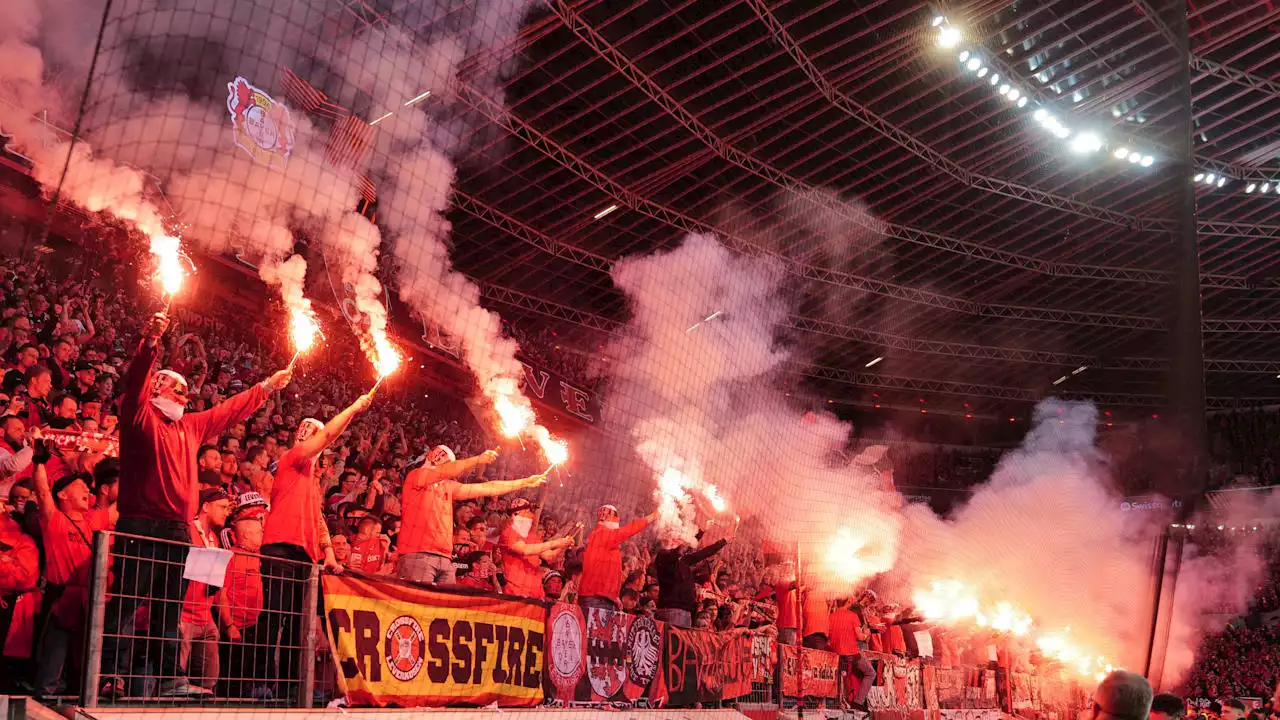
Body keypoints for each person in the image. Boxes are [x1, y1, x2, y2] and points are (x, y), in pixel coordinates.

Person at [100, 312, 291, 699]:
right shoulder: (139, 416)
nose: (184, 397)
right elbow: (135, 380)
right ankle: (109, 676)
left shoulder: (190, 426)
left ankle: (170, 680)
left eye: (186, 392)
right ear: (156, 388)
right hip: (139, 524)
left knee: (167, 610)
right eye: (176, 389)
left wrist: (266, 388)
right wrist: (150, 341)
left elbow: (227, 411)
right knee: (126, 604)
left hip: (174, 527)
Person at [259, 394, 372, 699]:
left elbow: (319, 522)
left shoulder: (311, 481)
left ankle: (290, 687)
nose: (320, 443)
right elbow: (329, 434)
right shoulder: (292, 458)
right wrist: (354, 407)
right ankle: (258, 683)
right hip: (281, 548)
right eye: (314, 436)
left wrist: (330, 555)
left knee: (299, 623)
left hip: (305, 554)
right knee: (274, 617)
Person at [31, 442, 117, 698]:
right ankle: (45, 695)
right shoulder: (54, 518)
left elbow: (118, 503)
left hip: (90, 597)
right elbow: (42, 491)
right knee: (55, 649)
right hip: (61, 595)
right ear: (63, 495)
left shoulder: (94, 519)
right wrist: (38, 462)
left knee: (84, 654)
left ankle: (82, 695)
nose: (85, 489)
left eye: (85, 486)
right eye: (78, 487)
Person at [397, 446, 546, 585]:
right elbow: (446, 471)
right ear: (431, 456)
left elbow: (486, 488)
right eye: (443, 458)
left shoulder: (447, 486)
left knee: (443, 610)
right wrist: (477, 460)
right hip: (417, 556)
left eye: (448, 461)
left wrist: (524, 482)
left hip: (444, 559)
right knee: (416, 606)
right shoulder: (416, 476)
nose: (445, 462)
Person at [182, 488, 232, 692]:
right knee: (174, 679)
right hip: (183, 615)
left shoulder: (214, 538)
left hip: (205, 617)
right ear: (205, 507)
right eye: (222, 507)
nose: (226, 512)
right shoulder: (187, 531)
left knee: (208, 681)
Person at [218, 498, 266, 699]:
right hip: (236, 627)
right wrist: (229, 625)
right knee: (232, 675)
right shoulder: (230, 557)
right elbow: (221, 593)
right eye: (259, 531)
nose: (263, 535)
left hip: (253, 625)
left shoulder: (259, 556)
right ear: (247, 534)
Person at [579, 505, 657, 612]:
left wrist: (614, 596)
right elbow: (628, 530)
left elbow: (610, 573)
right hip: (595, 598)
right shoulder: (601, 534)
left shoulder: (605, 541)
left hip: (602, 598)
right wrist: (653, 516)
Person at [499, 499, 575, 599]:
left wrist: (563, 545)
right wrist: (555, 542)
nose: (531, 515)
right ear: (516, 513)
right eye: (527, 511)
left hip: (537, 593)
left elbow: (549, 556)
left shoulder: (532, 536)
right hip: (516, 592)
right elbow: (525, 549)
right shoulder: (508, 533)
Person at [655, 532, 728, 627]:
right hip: (672, 610)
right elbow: (678, 551)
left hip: (684, 611)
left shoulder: (683, 561)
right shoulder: (663, 556)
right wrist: (686, 541)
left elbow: (702, 554)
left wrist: (722, 541)